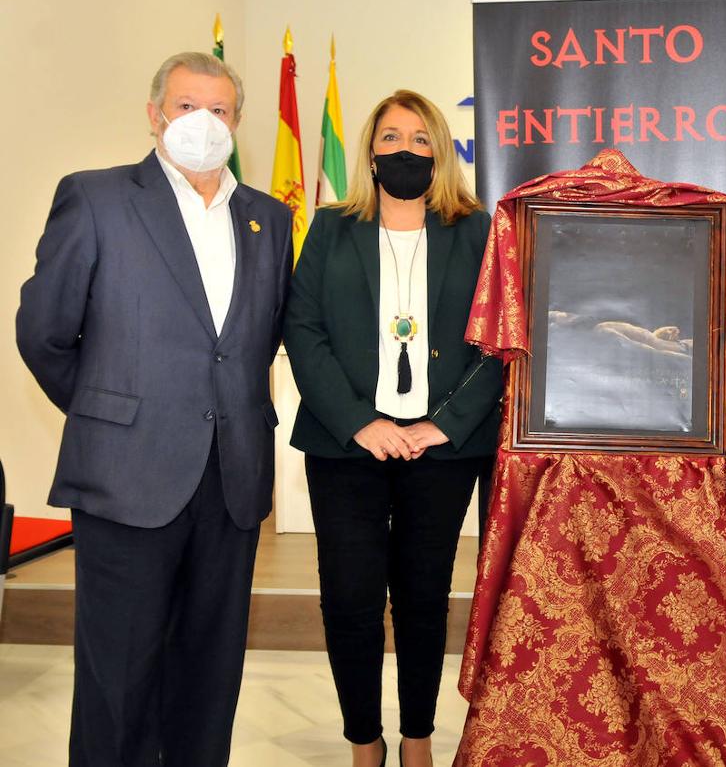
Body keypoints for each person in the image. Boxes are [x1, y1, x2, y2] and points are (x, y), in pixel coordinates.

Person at [15, 52, 292, 765]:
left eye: (219, 110)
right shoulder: (97, 197)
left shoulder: (269, 218)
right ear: (154, 115)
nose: (203, 121)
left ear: (237, 121)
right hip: (125, 478)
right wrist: (109, 413)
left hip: (231, 480)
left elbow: (254, 343)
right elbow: (44, 332)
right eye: (186, 106)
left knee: (209, 676)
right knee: (118, 680)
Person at [283, 90, 502, 767]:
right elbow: (303, 330)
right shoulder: (330, 227)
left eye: (419, 138)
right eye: (390, 138)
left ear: (440, 151)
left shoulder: (476, 230)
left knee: (423, 598)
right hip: (345, 446)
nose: (405, 149)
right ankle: (364, 741)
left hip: (442, 452)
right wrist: (360, 422)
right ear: (370, 152)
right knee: (349, 598)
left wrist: (445, 425)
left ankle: (417, 738)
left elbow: (499, 338)